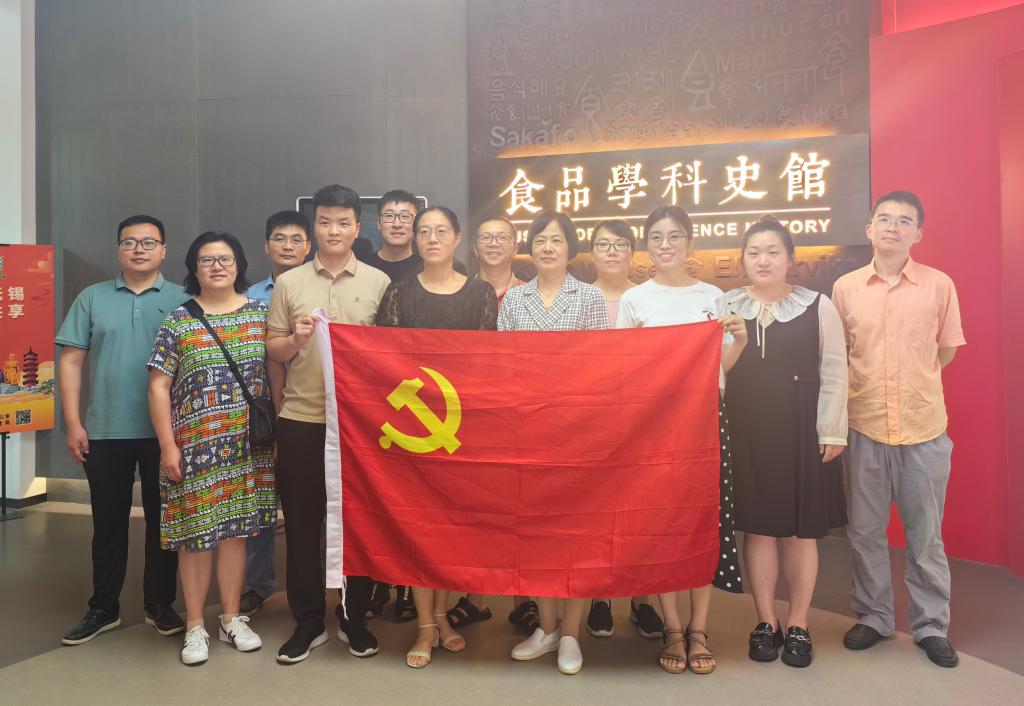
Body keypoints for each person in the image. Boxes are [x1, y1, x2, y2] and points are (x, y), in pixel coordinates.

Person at [832, 191, 966, 669]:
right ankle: (874, 616)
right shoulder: (846, 288)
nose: (892, 227)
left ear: (918, 233)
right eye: (884, 218)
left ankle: (931, 626)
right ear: (869, 228)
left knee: (925, 536)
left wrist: (915, 383)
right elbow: (840, 355)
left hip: (923, 428)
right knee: (865, 532)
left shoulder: (939, 285)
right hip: (864, 426)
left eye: (904, 221)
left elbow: (946, 349)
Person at [617, 204, 747, 674]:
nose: (665, 244)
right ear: (646, 246)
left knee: (704, 520)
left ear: (691, 243)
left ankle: (699, 628)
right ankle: (672, 627)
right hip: (654, 425)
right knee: (663, 521)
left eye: (674, 236)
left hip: (705, 421)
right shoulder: (635, 299)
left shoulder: (714, 296)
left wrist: (740, 342)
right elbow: (624, 369)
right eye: (656, 236)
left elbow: (719, 370)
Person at [267, 184, 391, 664]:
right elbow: (273, 350)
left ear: (358, 228)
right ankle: (308, 620)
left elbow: (391, 356)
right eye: (324, 222)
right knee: (302, 523)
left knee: (358, 522)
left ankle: (354, 616)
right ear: (313, 227)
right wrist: (296, 340)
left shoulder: (379, 282)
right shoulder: (289, 283)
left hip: (360, 425)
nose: (333, 230)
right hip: (301, 419)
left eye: (343, 223)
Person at [373, 206, 498, 668]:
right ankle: (425, 625)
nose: (431, 238)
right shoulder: (399, 292)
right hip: (414, 429)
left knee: (452, 527)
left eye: (441, 230)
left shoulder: (481, 293)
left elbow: (486, 362)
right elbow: (384, 359)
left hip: (463, 428)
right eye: (424, 231)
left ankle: (443, 616)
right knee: (419, 527)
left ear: (457, 238)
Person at [722, 217, 848, 668]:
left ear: (790, 259)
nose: (763, 260)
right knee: (758, 529)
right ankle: (765, 621)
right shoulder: (727, 305)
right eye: (754, 252)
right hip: (746, 428)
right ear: (743, 258)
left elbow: (834, 369)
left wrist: (831, 430)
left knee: (798, 532)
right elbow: (715, 370)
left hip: (801, 429)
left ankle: (798, 623)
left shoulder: (818, 305)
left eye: (773, 251)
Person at [56, 215, 186, 646]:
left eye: (149, 242)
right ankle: (103, 608)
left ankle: (159, 603)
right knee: (108, 522)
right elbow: (71, 361)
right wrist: (74, 421)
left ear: (164, 250)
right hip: (105, 429)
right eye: (130, 242)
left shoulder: (184, 299)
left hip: (166, 433)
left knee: (164, 522)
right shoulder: (92, 297)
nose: (139, 249)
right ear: (118, 250)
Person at [147, 231, 275, 665]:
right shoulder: (179, 320)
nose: (217, 266)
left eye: (225, 259)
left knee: (237, 535)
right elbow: (158, 386)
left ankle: (232, 618)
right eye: (207, 260)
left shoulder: (260, 314)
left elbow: (277, 374)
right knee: (196, 538)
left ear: (239, 265)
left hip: (247, 447)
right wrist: (168, 446)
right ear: (194, 269)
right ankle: (195, 625)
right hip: (194, 447)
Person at [499, 210, 608, 676]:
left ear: (570, 248)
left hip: (576, 430)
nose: (547, 247)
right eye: (540, 239)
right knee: (536, 532)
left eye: (556, 240)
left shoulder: (590, 296)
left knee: (574, 533)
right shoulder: (514, 298)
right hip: (526, 430)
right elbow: (503, 365)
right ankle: (545, 628)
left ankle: (571, 634)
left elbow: (601, 365)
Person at [446, 215, 529, 633]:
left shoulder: (530, 293)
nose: (494, 244)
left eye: (502, 237)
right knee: (474, 507)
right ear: (474, 247)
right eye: (486, 238)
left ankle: (524, 598)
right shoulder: (458, 290)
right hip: (469, 413)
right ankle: (474, 596)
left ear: (515, 245)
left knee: (521, 507)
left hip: (521, 414)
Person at [584, 219, 665, 641]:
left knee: (639, 509)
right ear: (592, 253)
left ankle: (641, 599)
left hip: (642, 420)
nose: (611, 252)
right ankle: (599, 596)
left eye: (619, 245)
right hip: (591, 418)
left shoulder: (648, 296)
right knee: (596, 510)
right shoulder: (580, 297)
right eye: (603, 245)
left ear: (633, 252)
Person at [239, 210, 312, 616]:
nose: (288, 245)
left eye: (296, 239)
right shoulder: (248, 298)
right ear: (266, 246)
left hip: (307, 412)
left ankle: (320, 586)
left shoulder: (317, 290)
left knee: (311, 506)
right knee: (259, 502)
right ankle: (258, 584)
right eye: (280, 238)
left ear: (308, 246)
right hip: (257, 412)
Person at [360, 189, 469, 286]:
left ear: (417, 224)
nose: (397, 224)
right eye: (389, 216)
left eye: (405, 216)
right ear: (378, 223)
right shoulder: (361, 268)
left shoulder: (434, 267)